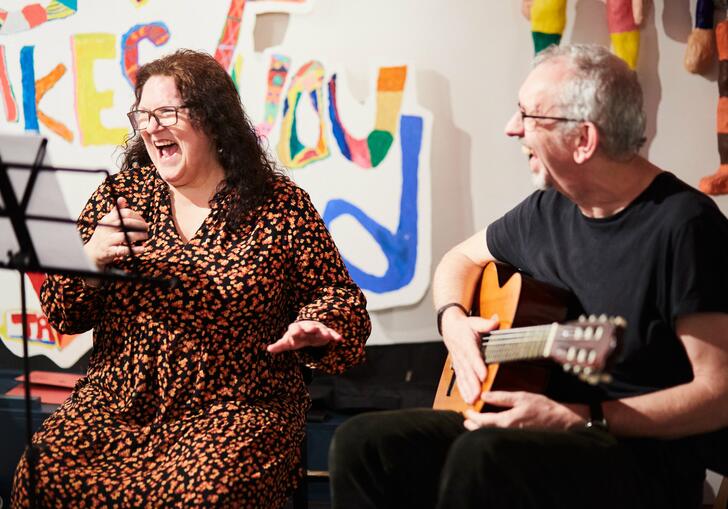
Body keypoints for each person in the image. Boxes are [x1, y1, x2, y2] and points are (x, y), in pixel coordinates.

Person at [329, 43, 728, 509]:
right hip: (531, 421)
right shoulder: (549, 209)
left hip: (637, 459)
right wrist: (453, 321)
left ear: (584, 139)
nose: (511, 127)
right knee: (364, 445)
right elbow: (458, 260)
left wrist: (583, 416)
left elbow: (718, 393)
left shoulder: (686, 228)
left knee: (484, 456)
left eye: (530, 116)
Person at [11, 49, 371, 508]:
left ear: (212, 119)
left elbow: (336, 295)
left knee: (202, 496)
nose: (151, 126)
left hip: (235, 409)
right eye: (143, 115)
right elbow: (63, 313)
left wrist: (318, 325)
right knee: (40, 477)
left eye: (167, 113)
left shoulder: (278, 205)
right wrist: (91, 260)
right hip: (117, 405)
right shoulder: (121, 194)